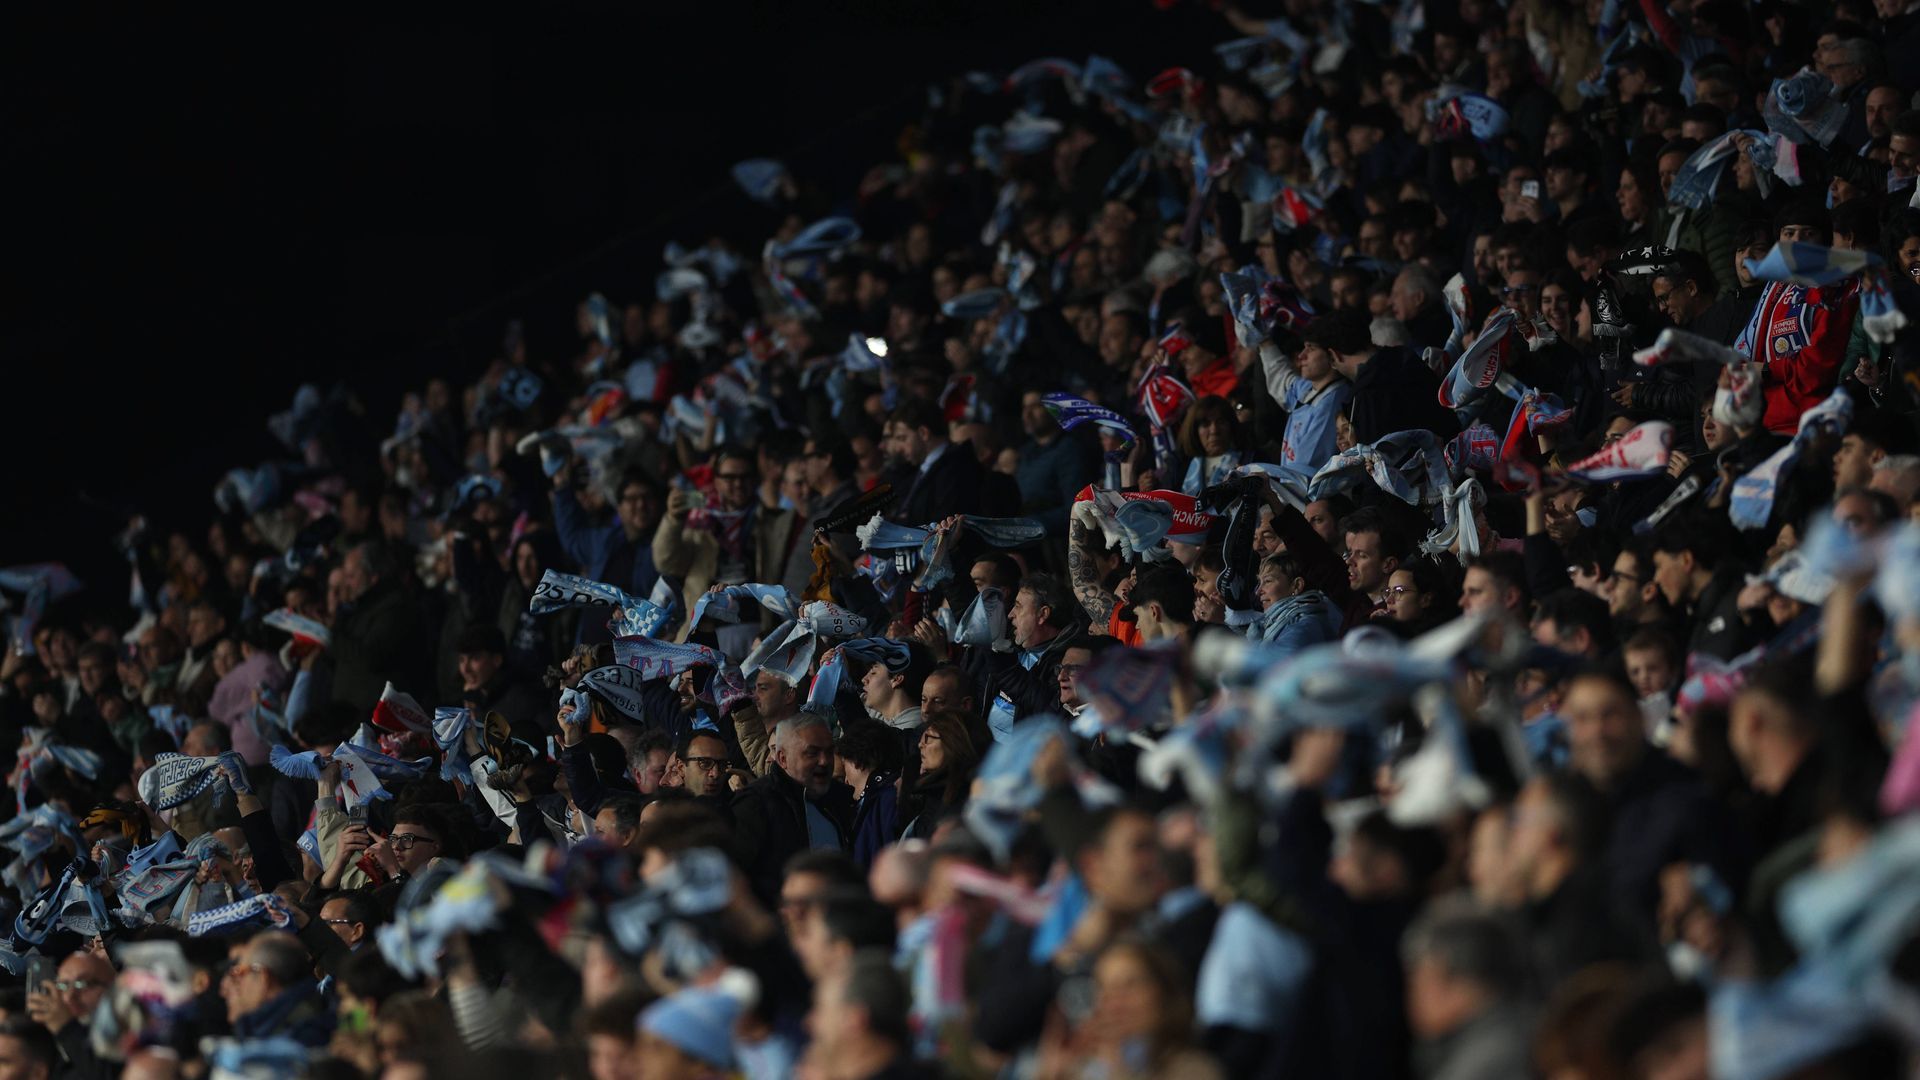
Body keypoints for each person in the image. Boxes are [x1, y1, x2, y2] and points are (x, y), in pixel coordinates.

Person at [731, 714, 855, 905]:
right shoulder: (755, 803)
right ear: (782, 758)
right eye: (812, 753)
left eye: (829, 752)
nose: (824, 761)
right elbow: (736, 876)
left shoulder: (841, 800)